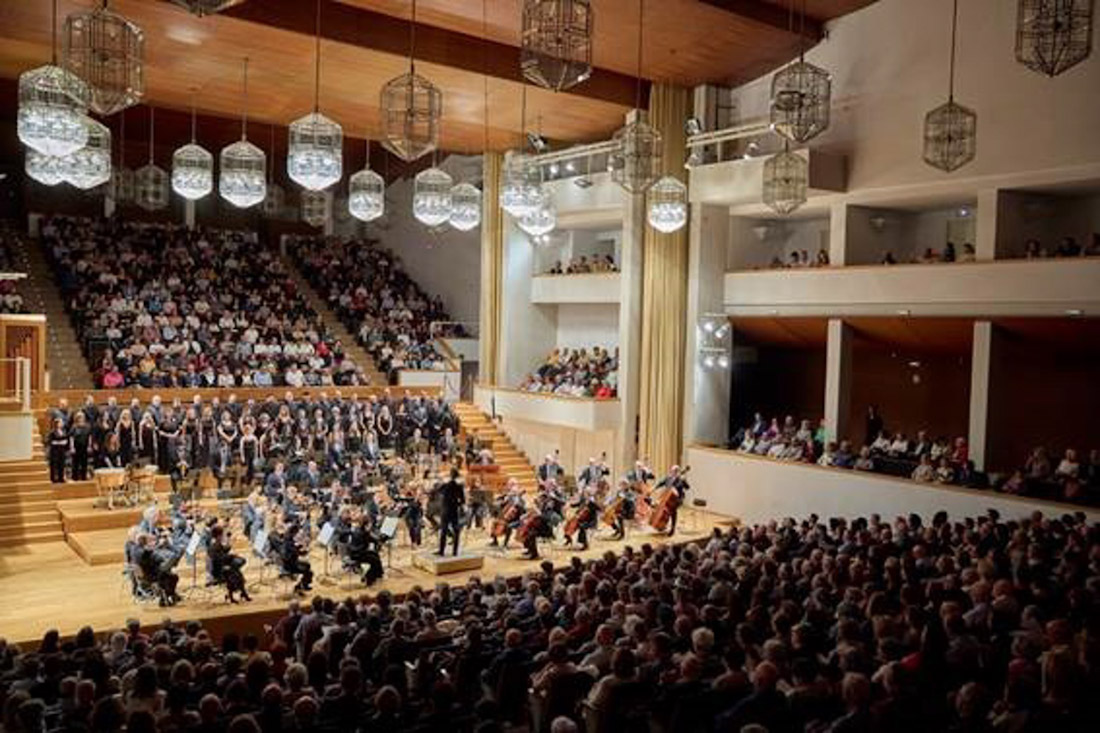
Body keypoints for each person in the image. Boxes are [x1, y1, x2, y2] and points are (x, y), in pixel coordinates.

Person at [653, 465, 689, 537]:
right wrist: (654, 488)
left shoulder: (681, 479)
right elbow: (660, 483)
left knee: (673, 511)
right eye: (673, 471)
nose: (674, 472)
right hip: (667, 497)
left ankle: (672, 528)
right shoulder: (668, 478)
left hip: (677, 499)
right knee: (659, 506)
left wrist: (683, 481)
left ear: (678, 472)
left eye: (676, 471)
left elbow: (687, 487)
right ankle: (662, 524)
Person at [437, 468, 465, 557]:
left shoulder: (446, 485)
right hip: (454, 510)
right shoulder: (459, 486)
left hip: (445, 510)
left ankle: (441, 551)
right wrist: (457, 503)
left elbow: (438, 491)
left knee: (444, 531)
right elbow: (463, 500)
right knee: (456, 530)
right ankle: (455, 552)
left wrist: (443, 481)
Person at [47, 418, 70, 484]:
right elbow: (51, 442)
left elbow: (66, 439)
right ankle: (53, 479)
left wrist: (65, 443)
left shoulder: (63, 431)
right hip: (55, 451)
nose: (62, 424)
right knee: (54, 465)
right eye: (60, 422)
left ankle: (61, 478)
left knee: (61, 464)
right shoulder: (52, 432)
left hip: (62, 451)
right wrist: (60, 442)